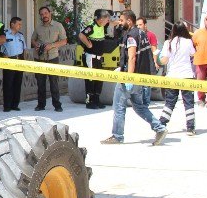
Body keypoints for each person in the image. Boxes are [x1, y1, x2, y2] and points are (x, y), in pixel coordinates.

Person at [101, 10, 167, 145]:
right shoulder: (142, 33)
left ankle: (117, 136)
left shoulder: (131, 35)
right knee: (139, 107)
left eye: (121, 20)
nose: (120, 22)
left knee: (118, 105)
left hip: (131, 77)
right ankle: (160, 128)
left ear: (129, 21)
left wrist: (129, 77)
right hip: (139, 77)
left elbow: (132, 56)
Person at [158, 21, 197, 135]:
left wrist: (157, 59)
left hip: (172, 76)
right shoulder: (188, 42)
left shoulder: (168, 43)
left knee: (170, 102)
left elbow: (164, 60)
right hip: (186, 76)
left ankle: (161, 124)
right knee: (188, 103)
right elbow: (192, 54)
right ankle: (190, 127)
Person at [31, 5, 67, 112]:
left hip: (52, 57)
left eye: (45, 13)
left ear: (50, 13)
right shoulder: (38, 27)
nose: (44, 16)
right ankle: (41, 105)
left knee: (54, 83)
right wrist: (36, 44)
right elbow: (33, 39)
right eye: (42, 14)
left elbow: (64, 41)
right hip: (39, 58)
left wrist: (52, 45)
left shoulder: (58, 25)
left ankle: (57, 105)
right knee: (40, 83)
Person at [78, 9, 113, 109]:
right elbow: (81, 35)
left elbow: (112, 24)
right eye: (106, 20)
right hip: (90, 57)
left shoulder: (102, 25)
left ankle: (97, 99)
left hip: (99, 58)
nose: (108, 22)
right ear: (101, 19)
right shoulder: (92, 26)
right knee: (90, 79)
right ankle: (89, 101)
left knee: (99, 78)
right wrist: (88, 44)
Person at [1, 16, 26, 111]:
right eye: (19, 24)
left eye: (21, 24)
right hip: (9, 60)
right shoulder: (5, 34)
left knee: (17, 83)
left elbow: (24, 49)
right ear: (12, 24)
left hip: (19, 60)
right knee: (8, 83)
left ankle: (15, 105)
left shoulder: (21, 36)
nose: (20, 26)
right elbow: (1, 48)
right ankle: (7, 106)